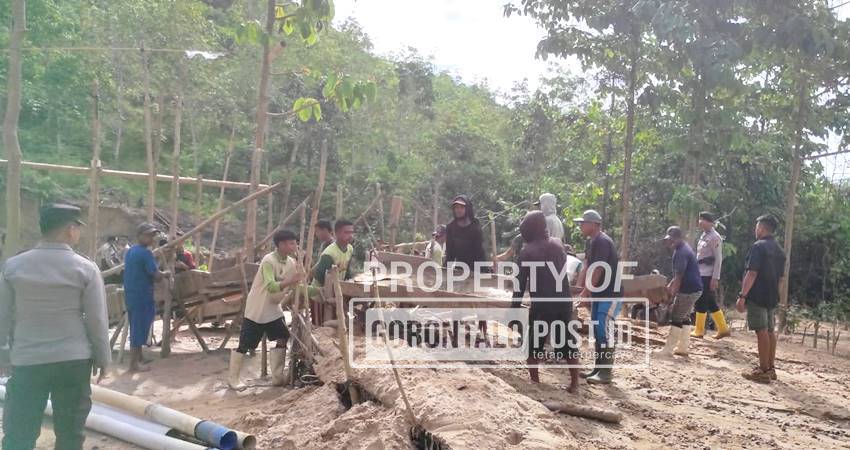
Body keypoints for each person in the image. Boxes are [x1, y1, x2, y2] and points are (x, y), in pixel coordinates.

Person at [0, 204, 111, 450]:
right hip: (73, 362)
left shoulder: (14, 267)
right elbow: (97, 321)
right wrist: (103, 358)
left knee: (19, 433)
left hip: (28, 360)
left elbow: (2, 316)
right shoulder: (85, 268)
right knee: (70, 435)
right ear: (70, 230)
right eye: (77, 228)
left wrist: (3, 355)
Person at [512, 211, 580, 392]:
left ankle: (535, 382)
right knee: (567, 344)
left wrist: (513, 311)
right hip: (564, 302)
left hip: (542, 305)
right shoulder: (558, 247)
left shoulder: (526, 253)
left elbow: (518, 286)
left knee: (533, 345)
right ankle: (574, 384)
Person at [229, 229, 305, 389]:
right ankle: (233, 379)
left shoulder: (291, 262)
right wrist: (290, 280)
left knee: (283, 335)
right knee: (245, 343)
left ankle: (277, 377)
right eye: (292, 243)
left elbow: (297, 283)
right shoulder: (268, 261)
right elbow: (271, 286)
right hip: (258, 307)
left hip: (273, 307)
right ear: (281, 244)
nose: (295, 246)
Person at [574, 209, 621, 385]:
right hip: (599, 293)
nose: (581, 226)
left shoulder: (602, 242)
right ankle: (598, 369)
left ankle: (606, 373)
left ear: (594, 224)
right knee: (598, 331)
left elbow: (599, 269)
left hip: (610, 293)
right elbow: (587, 266)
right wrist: (581, 288)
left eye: (583, 223)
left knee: (605, 331)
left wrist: (586, 291)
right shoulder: (593, 242)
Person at [737, 215, 785, 383]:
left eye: (757, 226)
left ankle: (763, 369)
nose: (755, 229)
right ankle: (771, 368)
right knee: (770, 331)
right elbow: (781, 279)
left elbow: (752, 273)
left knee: (761, 330)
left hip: (757, 295)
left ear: (762, 228)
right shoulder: (780, 250)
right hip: (772, 296)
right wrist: (776, 296)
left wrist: (742, 296)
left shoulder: (758, 247)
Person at [123, 223, 170, 373]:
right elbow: (155, 276)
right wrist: (165, 273)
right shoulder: (145, 253)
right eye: (148, 235)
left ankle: (140, 357)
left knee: (135, 325)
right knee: (139, 327)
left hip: (131, 293)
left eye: (152, 235)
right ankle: (133, 365)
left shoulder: (131, 251)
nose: (151, 238)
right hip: (142, 294)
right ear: (139, 236)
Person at [656, 226, 703, 357]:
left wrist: (671, 296)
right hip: (694, 289)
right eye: (668, 240)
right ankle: (683, 347)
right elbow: (677, 276)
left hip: (688, 290)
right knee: (685, 316)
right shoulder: (683, 249)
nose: (669, 242)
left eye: (672, 240)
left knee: (676, 317)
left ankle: (668, 350)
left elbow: (679, 278)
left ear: (678, 238)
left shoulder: (681, 253)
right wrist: (671, 285)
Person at [692, 212, 730, 339]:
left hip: (708, 274)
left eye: (702, 220)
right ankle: (723, 328)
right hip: (700, 272)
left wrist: (715, 277)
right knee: (710, 301)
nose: (700, 222)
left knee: (701, 300)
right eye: (699, 219)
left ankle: (699, 330)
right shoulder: (704, 235)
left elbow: (718, 259)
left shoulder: (715, 237)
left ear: (709, 222)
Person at [312, 220, 356, 325]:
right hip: (320, 296)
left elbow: (347, 270)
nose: (350, 235)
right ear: (336, 233)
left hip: (336, 292)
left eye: (351, 232)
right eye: (346, 232)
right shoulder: (329, 253)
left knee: (335, 326)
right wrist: (332, 294)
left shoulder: (350, 248)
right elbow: (319, 277)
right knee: (320, 326)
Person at [444, 195, 488, 273]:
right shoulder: (451, 227)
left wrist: (483, 272)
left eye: (461, 207)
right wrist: (445, 270)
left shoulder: (475, 226)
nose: (458, 210)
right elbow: (450, 253)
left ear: (467, 209)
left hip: (475, 268)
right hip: (459, 268)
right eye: (456, 207)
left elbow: (480, 252)